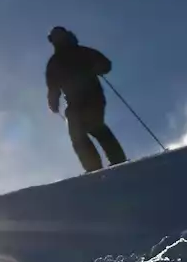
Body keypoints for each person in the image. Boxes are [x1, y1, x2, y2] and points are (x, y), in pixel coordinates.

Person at [45, 26, 127, 173]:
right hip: (74, 102)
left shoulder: (81, 52)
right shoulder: (55, 62)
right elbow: (53, 86)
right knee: (77, 133)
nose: (57, 40)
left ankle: (117, 160)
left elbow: (106, 64)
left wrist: (98, 67)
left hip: (92, 96)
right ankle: (93, 167)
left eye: (59, 36)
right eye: (54, 37)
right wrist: (53, 101)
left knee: (93, 125)